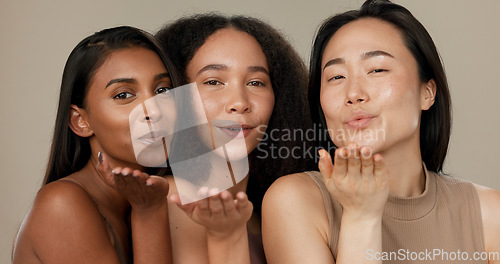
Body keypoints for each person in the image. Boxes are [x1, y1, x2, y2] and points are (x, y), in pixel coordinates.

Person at [262, 0, 500, 263]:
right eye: (336, 77)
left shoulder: (489, 215)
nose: (353, 94)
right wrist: (361, 216)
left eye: (377, 69)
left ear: (427, 93)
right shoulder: (295, 201)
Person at [12, 26, 182, 264]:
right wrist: (149, 213)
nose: (154, 109)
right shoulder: (62, 205)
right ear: (81, 121)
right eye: (123, 95)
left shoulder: (155, 198)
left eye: (163, 90)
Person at [155, 13, 314, 264]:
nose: (239, 103)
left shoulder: (265, 209)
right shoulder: (175, 197)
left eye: (255, 82)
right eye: (213, 81)